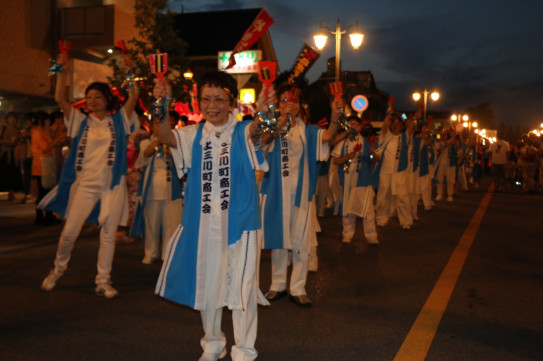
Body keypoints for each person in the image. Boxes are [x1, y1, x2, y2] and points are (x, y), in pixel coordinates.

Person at [153, 71, 270, 361]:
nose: (212, 105)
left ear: (232, 103)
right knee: (208, 285)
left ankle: (244, 352)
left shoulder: (243, 131)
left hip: (242, 224)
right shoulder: (192, 135)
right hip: (204, 226)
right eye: (205, 99)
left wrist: (267, 113)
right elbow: (164, 134)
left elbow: (259, 130)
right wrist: (161, 102)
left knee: (242, 289)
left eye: (220, 99)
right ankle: (212, 345)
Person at [39, 53, 139, 298]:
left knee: (108, 234)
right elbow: (59, 98)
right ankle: (58, 269)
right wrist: (62, 71)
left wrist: (129, 72)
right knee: (69, 233)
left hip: (112, 185)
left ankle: (103, 280)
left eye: (97, 96)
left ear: (107, 100)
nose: (92, 100)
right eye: (89, 96)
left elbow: (133, 95)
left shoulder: (118, 121)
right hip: (85, 185)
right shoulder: (79, 121)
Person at [260, 83, 340, 307]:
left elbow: (329, 137)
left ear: (299, 105)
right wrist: (280, 122)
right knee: (278, 240)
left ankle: (298, 287)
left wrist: (335, 115)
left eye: (292, 100)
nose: (288, 104)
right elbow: (263, 143)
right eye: (283, 100)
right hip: (277, 193)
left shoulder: (308, 130)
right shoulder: (271, 127)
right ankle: (277, 284)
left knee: (300, 241)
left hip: (302, 195)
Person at [130, 121, 183, 264]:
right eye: (157, 125)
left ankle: (167, 253)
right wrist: (160, 140)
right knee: (151, 223)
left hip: (170, 188)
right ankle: (150, 253)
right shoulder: (146, 141)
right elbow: (145, 155)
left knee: (170, 223)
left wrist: (168, 143)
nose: (160, 128)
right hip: (151, 189)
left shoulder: (174, 141)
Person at [331, 116, 379, 245]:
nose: (353, 127)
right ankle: (347, 234)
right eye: (350, 124)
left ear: (361, 126)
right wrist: (348, 157)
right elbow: (335, 160)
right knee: (348, 209)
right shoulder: (342, 143)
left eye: (356, 124)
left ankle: (372, 236)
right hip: (346, 181)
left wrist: (372, 153)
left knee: (368, 210)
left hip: (363, 181)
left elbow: (376, 159)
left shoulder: (367, 142)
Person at [374, 110, 415, 229]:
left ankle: (406, 221)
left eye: (398, 124)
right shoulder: (385, 136)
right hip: (385, 171)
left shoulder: (405, 137)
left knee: (402, 197)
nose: (395, 125)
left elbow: (411, 125)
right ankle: (381, 219)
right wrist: (390, 114)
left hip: (400, 172)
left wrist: (402, 115)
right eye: (394, 123)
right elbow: (385, 124)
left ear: (402, 126)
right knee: (382, 197)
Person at [31, 111, 56, 224]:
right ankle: (41, 216)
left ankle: (48, 215)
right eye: (47, 120)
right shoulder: (37, 132)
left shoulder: (42, 131)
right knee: (43, 192)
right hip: (41, 165)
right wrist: (57, 140)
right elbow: (45, 148)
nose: (49, 122)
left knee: (47, 191)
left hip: (45, 164)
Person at [433, 130, 457, 202]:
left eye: (446, 135)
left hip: (449, 163)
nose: (445, 136)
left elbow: (457, 149)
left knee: (450, 180)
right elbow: (438, 150)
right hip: (441, 163)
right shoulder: (440, 143)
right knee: (440, 179)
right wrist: (446, 143)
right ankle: (439, 194)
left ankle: (450, 195)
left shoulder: (452, 143)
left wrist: (453, 142)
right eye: (444, 135)